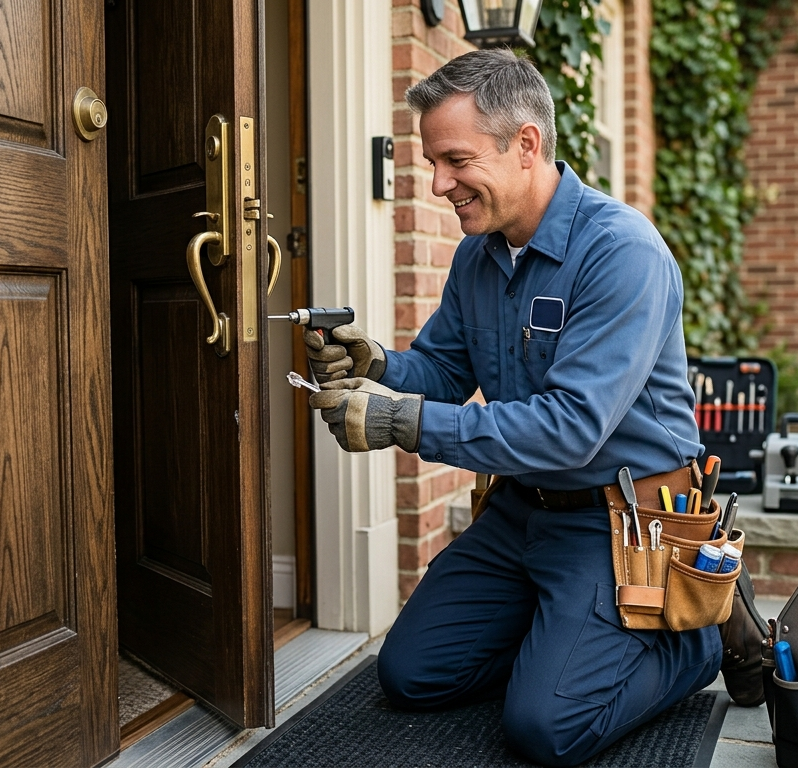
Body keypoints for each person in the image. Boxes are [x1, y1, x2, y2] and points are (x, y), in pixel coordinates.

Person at [304, 49, 750, 767]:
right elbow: (446, 373)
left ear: (526, 144)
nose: (440, 183)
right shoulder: (479, 256)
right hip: (521, 513)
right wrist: (379, 363)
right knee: (411, 674)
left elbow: (571, 429)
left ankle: (692, 640)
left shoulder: (621, 252)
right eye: (434, 162)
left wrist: (397, 423)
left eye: (455, 160)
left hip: (620, 521)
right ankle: (564, 636)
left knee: (546, 729)